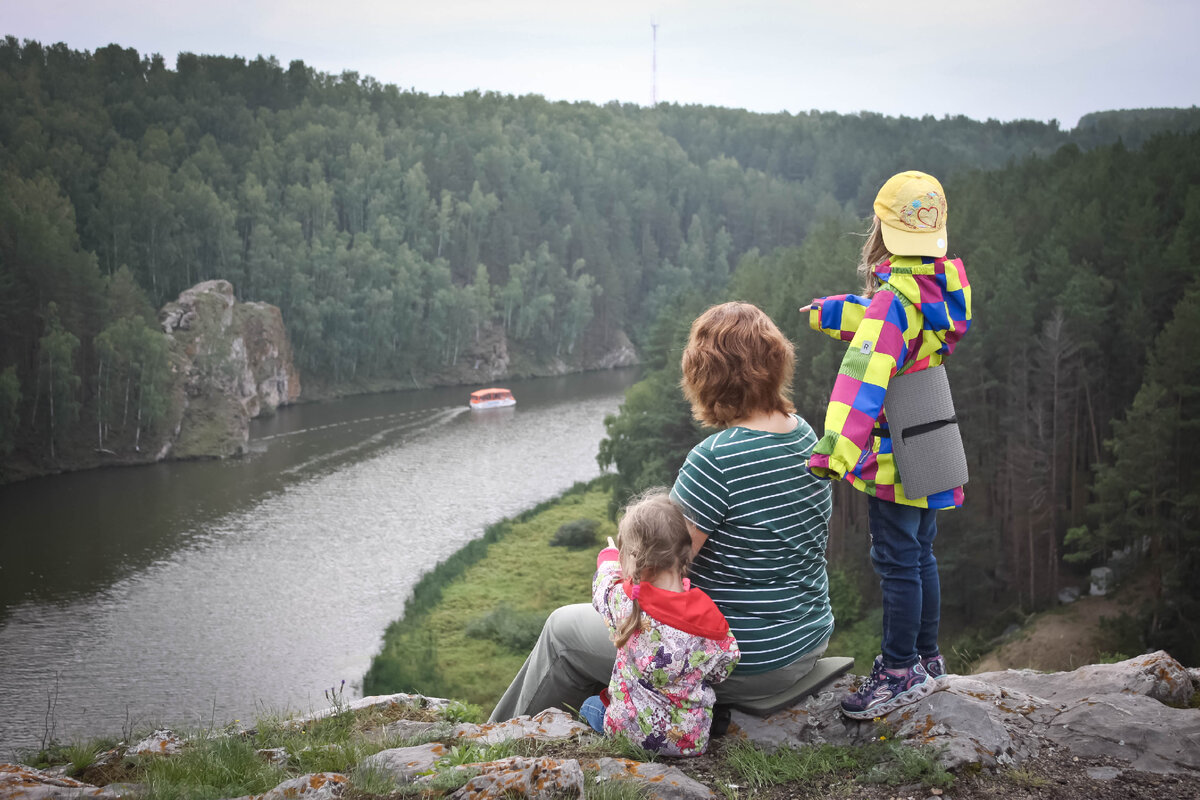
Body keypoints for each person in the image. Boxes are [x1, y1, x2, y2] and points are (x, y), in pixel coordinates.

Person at [488, 302, 835, 723]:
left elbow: (653, 576)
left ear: (706, 376)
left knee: (562, 631)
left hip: (741, 661)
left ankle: (495, 740)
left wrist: (612, 566)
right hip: (804, 642)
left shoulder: (716, 460)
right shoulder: (804, 435)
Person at [801, 170, 972, 719]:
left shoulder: (891, 305)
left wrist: (835, 450)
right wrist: (833, 311)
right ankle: (927, 659)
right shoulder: (938, 293)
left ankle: (898, 672)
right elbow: (888, 317)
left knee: (896, 562)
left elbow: (864, 379)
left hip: (894, 455)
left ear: (882, 231)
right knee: (921, 554)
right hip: (931, 440)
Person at [580, 489, 739, 756]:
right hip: (688, 743)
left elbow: (602, 589)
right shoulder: (708, 615)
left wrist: (608, 558)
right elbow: (724, 666)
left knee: (590, 706)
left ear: (637, 559)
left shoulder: (627, 601)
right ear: (684, 551)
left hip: (628, 732)